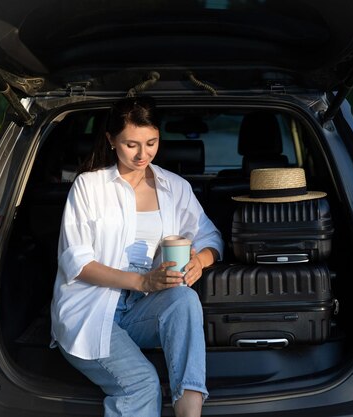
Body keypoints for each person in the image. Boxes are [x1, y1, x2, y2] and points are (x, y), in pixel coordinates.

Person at [50, 96, 223, 417]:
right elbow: (77, 262)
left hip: (142, 306)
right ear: (111, 140)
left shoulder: (176, 187)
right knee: (141, 382)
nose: (143, 154)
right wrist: (142, 279)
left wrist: (201, 260)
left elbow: (210, 237)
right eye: (131, 144)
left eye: (151, 143)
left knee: (184, 299)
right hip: (91, 311)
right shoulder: (89, 187)